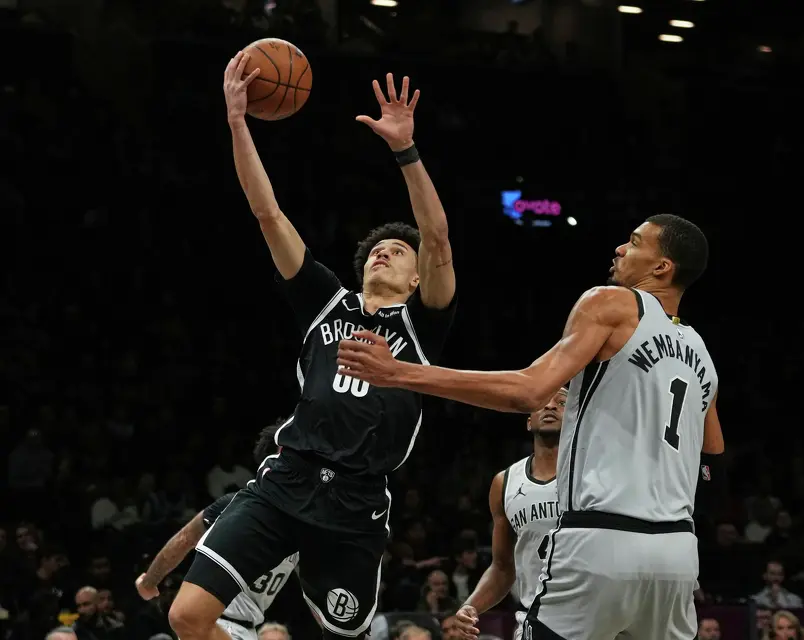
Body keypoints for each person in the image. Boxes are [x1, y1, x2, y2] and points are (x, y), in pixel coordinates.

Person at [168, 55, 457, 640]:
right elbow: (267, 212)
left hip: (355, 504)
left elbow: (437, 235)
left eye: (398, 253)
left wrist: (405, 151)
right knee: (187, 616)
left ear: (418, 277)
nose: (385, 252)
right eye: (379, 248)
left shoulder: (423, 324)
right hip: (285, 481)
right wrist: (237, 124)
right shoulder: (326, 301)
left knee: (342, 633)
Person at [338, 214, 725, 640]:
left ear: (661, 268)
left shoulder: (611, 303)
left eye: (633, 243)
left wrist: (399, 372)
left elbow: (527, 391)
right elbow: (712, 454)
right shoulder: (700, 353)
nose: (619, 249)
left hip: (602, 537)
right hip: (678, 553)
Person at [137, 421, 296, 640]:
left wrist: (149, 583)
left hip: (240, 630)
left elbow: (184, 538)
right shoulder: (299, 524)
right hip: (216, 623)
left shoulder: (296, 521)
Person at [450, 389, 567, 640]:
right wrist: (471, 606)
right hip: (535, 618)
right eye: (542, 401)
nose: (550, 406)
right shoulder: (505, 483)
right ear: (528, 422)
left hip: (591, 614)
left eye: (562, 402)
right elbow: (503, 567)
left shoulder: (594, 475)